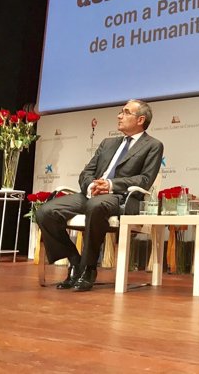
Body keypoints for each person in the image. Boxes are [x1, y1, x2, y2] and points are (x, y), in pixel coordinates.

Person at [36, 99, 163, 292]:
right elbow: (86, 172)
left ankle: (88, 268)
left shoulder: (152, 145)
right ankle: (75, 261)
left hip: (122, 198)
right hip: (91, 194)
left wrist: (111, 185)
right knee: (46, 211)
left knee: (96, 206)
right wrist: (92, 186)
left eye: (126, 112)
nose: (119, 116)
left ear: (141, 119)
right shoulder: (108, 143)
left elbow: (145, 180)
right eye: (121, 112)